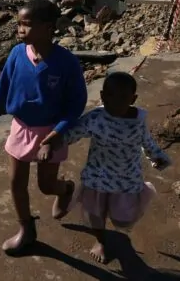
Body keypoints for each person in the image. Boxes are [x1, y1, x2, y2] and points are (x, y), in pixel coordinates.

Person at [0, 0, 88, 255]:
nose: (20, 29)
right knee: (16, 182)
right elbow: (2, 86)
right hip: (22, 126)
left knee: (46, 185)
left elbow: (76, 104)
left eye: (27, 24)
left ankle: (66, 189)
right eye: (19, 24)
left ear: (48, 28)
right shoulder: (17, 54)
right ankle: (26, 229)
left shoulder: (66, 62)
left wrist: (56, 134)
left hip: (52, 131)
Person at [43, 72, 171, 264]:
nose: (116, 102)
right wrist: (50, 144)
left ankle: (76, 198)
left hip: (126, 179)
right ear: (103, 96)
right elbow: (74, 133)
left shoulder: (138, 120)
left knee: (123, 220)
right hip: (97, 176)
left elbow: (147, 142)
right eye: (110, 95)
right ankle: (100, 241)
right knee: (95, 214)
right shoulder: (96, 118)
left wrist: (157, 157)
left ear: (133, 99)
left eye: (123, 97)